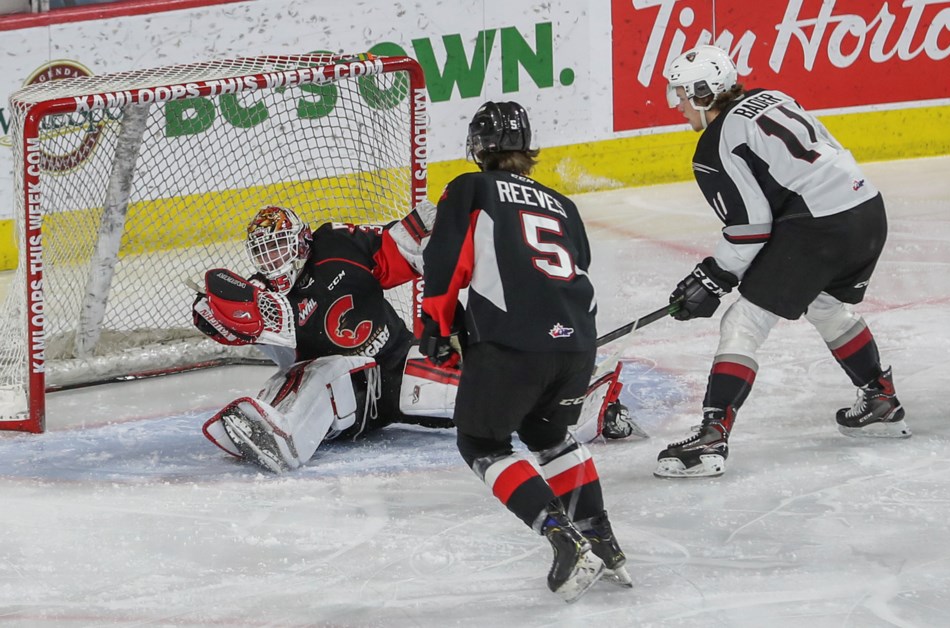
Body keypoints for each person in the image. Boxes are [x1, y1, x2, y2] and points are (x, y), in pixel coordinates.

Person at [192, 204, 634, 474]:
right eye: (263, 251)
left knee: (486, 397)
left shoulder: (336, 244)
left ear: (301, 241)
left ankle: (587, 404)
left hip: (396, 367)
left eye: (279, 246)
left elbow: (396, 250)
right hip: (334, 398)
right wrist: (213, 316)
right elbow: (231, 326)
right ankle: (275, 429)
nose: (272, 258)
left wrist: (437, 220)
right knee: (318, 371)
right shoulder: (261, 297)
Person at [655, 45, 910, 479]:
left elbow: (751, 227)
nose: (676, 104)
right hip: (866, 208)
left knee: (743, 323)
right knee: (825, 304)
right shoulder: (774, 96)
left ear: (703, 93)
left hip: (820, 227)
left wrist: (713, 278)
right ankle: (880, 400)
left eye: (681, 94)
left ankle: (712, 438)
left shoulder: (714, 145)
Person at [419, 101, 631, 603]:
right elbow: (575, 265)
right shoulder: (564, 205)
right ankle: (602, 539)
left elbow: (445, 261)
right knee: (550, 435)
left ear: (478, 149)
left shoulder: (469, 189)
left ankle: (564, 538)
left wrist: (436, 324)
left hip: (513, 345)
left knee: (481, 443)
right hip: (576, 345)